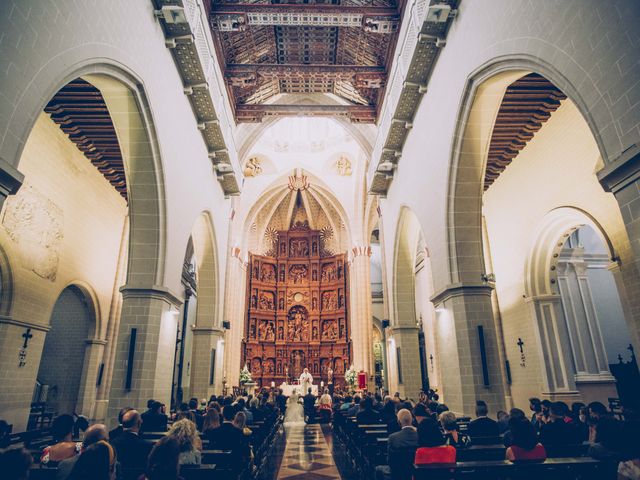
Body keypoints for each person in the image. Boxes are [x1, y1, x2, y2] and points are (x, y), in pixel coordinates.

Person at [204, 405, 249, 473]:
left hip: (217, 465)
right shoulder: (238, 432)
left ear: (223, 415)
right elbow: (241, 450)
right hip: (234, 465)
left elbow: (211, 447)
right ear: (234, 416)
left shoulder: (214, 431)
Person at [375, 409, 417, 480]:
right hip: (415, 472)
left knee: (378, 469)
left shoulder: (393, 437)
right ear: (412, 420)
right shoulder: (421, 435)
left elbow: (389, 460)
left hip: (398, 473)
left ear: (398, 422)